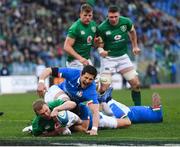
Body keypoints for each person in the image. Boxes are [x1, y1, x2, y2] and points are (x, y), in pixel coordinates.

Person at [96, 5, 141, 106]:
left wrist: (135, 46)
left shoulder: (126, 22)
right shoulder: (102, 28)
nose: (113, 19)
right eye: (111, 17)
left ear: (119, 15)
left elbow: (132, 32)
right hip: (108, 59)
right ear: (107, 16)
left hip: (123, 57)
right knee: (104, 88)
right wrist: (101, 50)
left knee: (136, 84)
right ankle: (101, 110)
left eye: (116, 16)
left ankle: (138, 108)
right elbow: (100, 45)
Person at [37, 65, 99, 135]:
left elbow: (95, 112)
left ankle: (63, 126)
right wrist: (41, 82)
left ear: (94, 79)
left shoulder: (91, 91)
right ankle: (48, 123)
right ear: (81, 74)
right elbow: (48, 70)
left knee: (88, 126)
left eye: (90, 79)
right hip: (57, 92)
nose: (87, 81)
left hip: (74, 106)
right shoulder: (72, 73)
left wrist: (94, 129)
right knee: (65, 103)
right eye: (86, 77)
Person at [97, 74, 163, 124]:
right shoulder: (155, 115)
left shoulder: (112, 106)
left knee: (156, 115)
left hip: (128, 112)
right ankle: (105, 98)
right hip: (128, 111)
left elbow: (126, 120)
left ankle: (104, 98)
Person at [64, 3, 97, 70]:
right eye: (85, 15)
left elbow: (91, 43)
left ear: (92, 15)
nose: (87, 17)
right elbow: (66, 46)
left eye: (89, 15)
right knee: (82, 79)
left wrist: (97, 43)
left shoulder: (93, 25)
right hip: (74, 61)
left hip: (86, 60)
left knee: (94, 79)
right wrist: (80, 58)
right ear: (80, 14)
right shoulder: (75, 27)